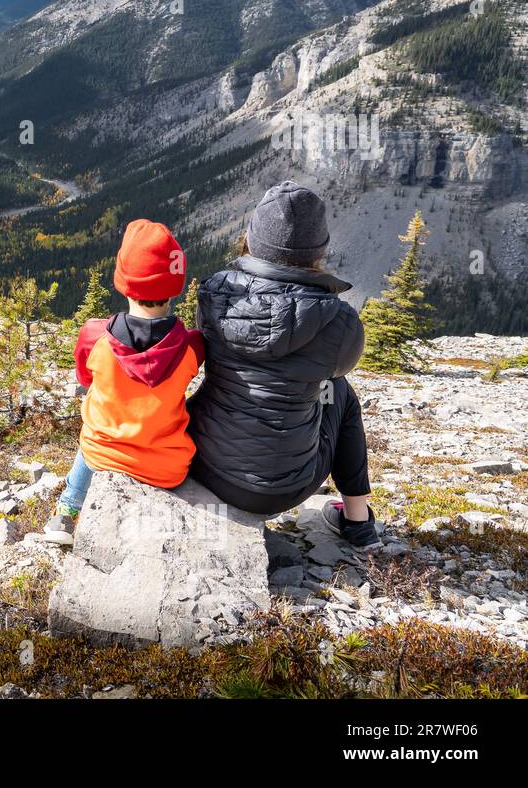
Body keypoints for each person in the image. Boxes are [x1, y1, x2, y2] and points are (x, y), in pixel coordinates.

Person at [187, 181, 380, 549]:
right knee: (340, 392)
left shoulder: (214, 295)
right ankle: (358, 521)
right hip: (286, 487)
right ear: (319, 248)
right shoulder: (339, 321)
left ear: (252, 238)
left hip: (205, 466)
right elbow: (336, 371)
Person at [44, 219, 204, 546]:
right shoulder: (192, 347)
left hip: (102, 456)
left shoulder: (93, 336)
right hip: (167, 468)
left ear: (123, 281)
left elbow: (85, 379)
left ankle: (67, 511)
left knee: (92, 427)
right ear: (175, 284)